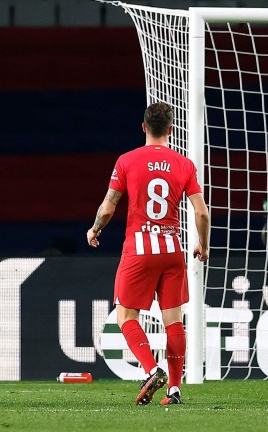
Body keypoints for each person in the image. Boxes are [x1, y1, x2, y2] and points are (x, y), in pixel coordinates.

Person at [86, 102, 210, 406]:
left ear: (144, 127)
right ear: (170, 130)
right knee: (174, 322)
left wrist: (95, 229)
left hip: (139, 249)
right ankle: (175, 389)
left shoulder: (127, 161)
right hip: (171, 249)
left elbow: (109, 205)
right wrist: (203, 246)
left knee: (126, 315)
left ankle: (152, 369)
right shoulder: (184, 164)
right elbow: (202, 213)